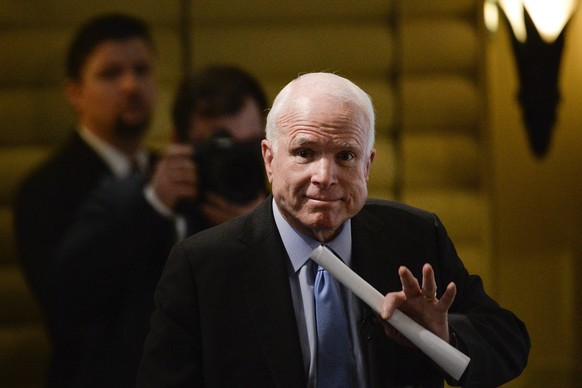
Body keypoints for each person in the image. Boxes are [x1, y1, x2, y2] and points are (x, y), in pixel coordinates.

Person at [136, 72, 531, 387]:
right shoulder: (202, 264)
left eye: (345, 156)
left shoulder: (414, 236)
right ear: (269, 160)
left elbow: (508, 342)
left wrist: (442, 339)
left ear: (368, 165)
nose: (325, 176)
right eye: (305, 153)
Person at [49, 65, 268, 387]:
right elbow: (65, 294)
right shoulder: (127, 203)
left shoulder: (284, 217)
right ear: (178, 142)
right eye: (219, 148)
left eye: (248, 147)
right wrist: (154, 204)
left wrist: (262, 234)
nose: (234, 163)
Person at [12, 13, 159, 387]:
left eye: (141, 70)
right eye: (111, 73)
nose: (131, 85)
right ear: (75, 93)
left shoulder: (171, 171)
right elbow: (65, 305)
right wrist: (149, 203)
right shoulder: (44, 189)